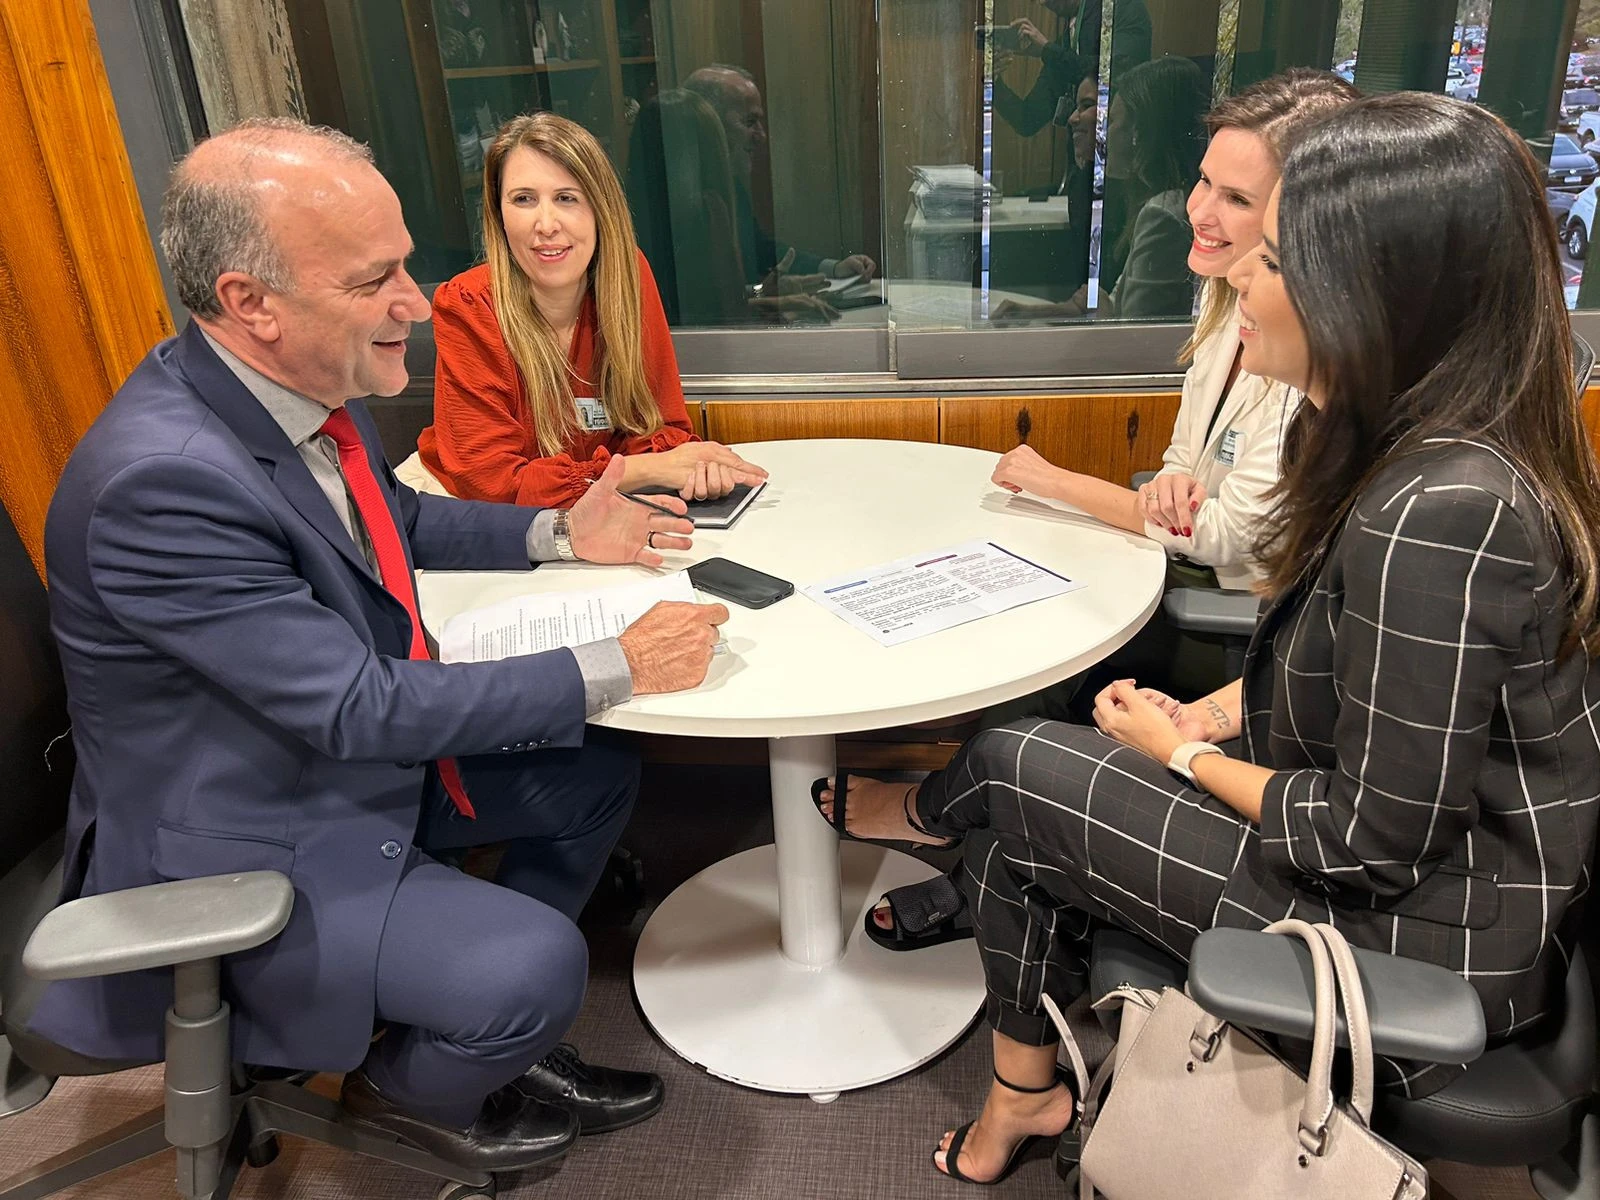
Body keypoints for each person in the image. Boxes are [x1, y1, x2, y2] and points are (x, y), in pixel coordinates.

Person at [820, 92, 1600, 1184]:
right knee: (1013, 811)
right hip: (1388, 870)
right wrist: (1222, 715)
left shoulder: (1443, 509)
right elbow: (1374, 690)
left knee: (1010, 761)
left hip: (1424, 946)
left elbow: (1366, 843)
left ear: (1376, 294)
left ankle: (1020, 1094)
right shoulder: (1397, 447)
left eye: (1273, 259)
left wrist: (1181, 756)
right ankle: (1024, 1099)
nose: (1238, 275)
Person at [27, 118, 733, 1174]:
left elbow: (390, 525)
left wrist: (558, 532)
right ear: (248, 303)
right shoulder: (163, 483)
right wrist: (618, 663)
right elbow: (361, 708)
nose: (414, 302)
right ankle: (405, 1086)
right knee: (533, 967)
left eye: (405, 265)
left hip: (325, 762)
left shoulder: (293, 392)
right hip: (243, 833)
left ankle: (460, 1021)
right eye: (374, 281)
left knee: (593, 770)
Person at [988, 69, 1358, 708]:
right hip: (1193, 577)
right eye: (1205, 181)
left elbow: (1226, 538)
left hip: (1248, 633)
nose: (1200, 211)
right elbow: (1181, 464)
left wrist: (1053, 482)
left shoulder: (1314, 366)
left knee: (1029, 665)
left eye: (1238, 200)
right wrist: (1168, 486)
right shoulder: (1227, 309)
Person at [398, 112, 767, 507]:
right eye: (523, 199)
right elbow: (491, 483)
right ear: (499, 213)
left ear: (599, 208)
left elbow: (659, 428)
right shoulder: (470, 304)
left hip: (588, 504)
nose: (546, 224)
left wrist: (690, 469)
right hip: (461, 511)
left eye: (566, 198)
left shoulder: (628, 276)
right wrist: (639, 472)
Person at [996, 54, 1209, 322]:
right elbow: (1112, 300)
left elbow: (1130, 330)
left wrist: (1101, 308)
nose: (1104, 133)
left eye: (1111, 122)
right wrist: (1031, 312)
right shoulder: (1163, 201)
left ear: (1138, 134)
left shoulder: (1162, 214)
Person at [682, 64, 876, 294]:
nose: (761, 136)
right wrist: (761, 293)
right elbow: (700, 299)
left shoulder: (727, 183)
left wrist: (834, 268)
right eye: (749, 122)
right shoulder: (685, 202)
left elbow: (761, 249)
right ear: (710, 123)